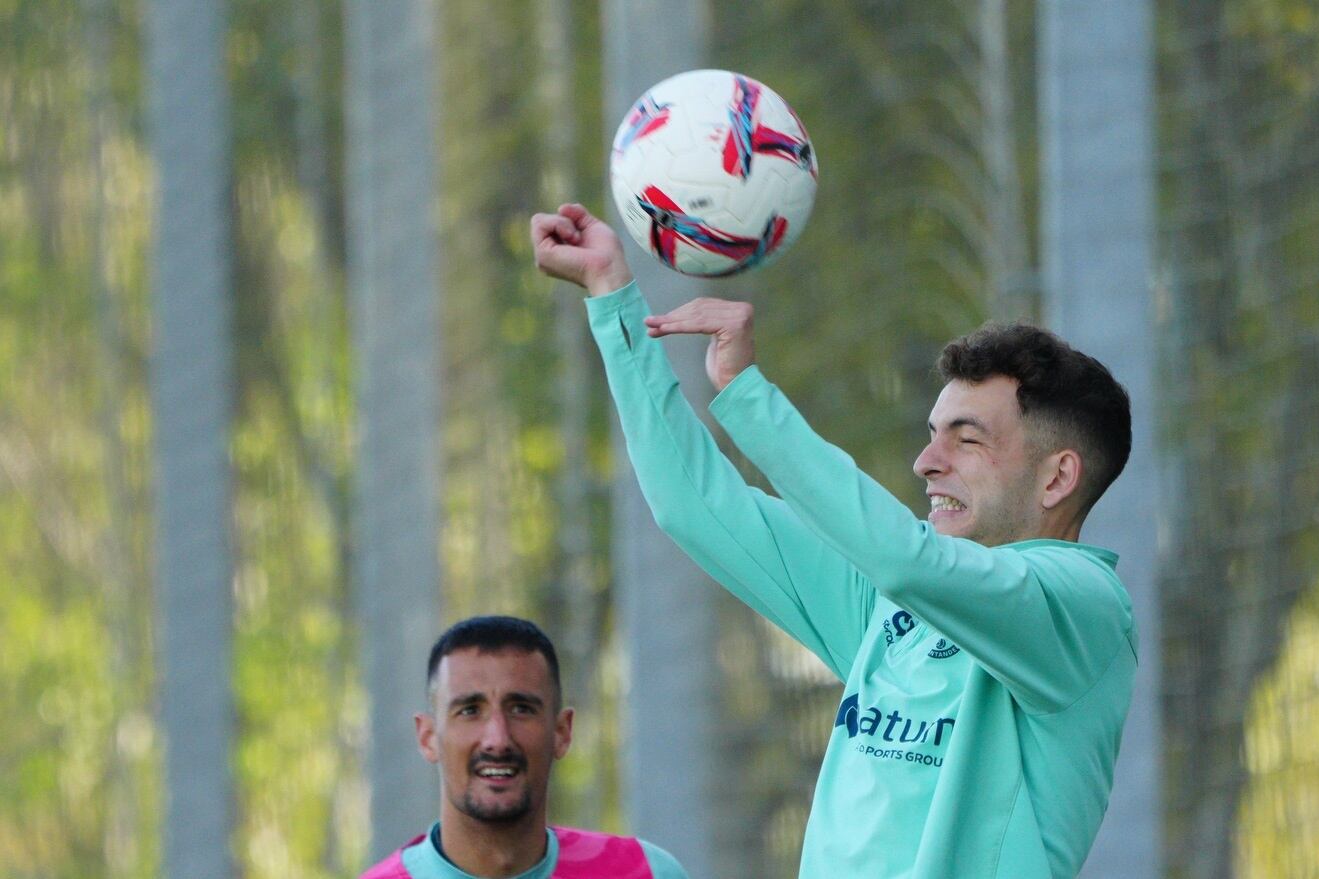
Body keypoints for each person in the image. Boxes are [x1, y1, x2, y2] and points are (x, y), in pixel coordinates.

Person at [530, 203, 1139, 878]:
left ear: (1058, 477)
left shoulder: (1082, 608)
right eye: (932, 434)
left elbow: (910, 562)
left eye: (966, 439)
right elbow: (697, 507)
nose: (927, 462)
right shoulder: (896, 607)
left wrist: (747, 396)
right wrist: (613, 297)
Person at [361, 615, 689, 879]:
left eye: (521, 708)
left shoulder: (646, 873)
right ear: (428, 737)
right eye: (470, 710)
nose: (497, 740)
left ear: (561, 731)